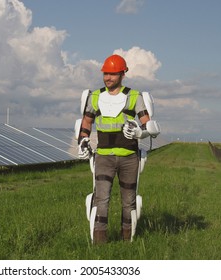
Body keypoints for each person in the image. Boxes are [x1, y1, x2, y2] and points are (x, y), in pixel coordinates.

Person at [77, 54, 160, 244]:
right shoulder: (95, 97)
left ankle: (126, 242)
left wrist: (141, 133)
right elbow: (87, 121)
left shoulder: (134, 97)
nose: (108, 78)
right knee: (101, 199)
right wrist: (83, 140)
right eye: (106, 73)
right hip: (103, 157)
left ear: (123, 74)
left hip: (129, 157)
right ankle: (100, 243)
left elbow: (149, 125)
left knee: (128, 201)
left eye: (113, 74)